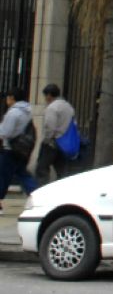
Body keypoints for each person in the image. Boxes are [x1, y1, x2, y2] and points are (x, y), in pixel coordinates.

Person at [0, 87, 38, 215]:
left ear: (12, 98)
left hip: (9, 149)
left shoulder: (13, 113)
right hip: (21, 149)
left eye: (8, 97)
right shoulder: (27, 111)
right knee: (23, 174)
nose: (6, 100)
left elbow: (6, 133)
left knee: (3, 176)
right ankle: (35, 196)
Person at [36, 83, 75, 185]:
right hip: (64, 142)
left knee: (42, 168)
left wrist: (46, 139)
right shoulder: (68, 107)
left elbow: (50, 126)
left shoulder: (52, 108)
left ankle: (42, 191)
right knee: (62, 171)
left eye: (45, 96)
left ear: (49, 95)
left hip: (52, 143)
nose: (45, 99)